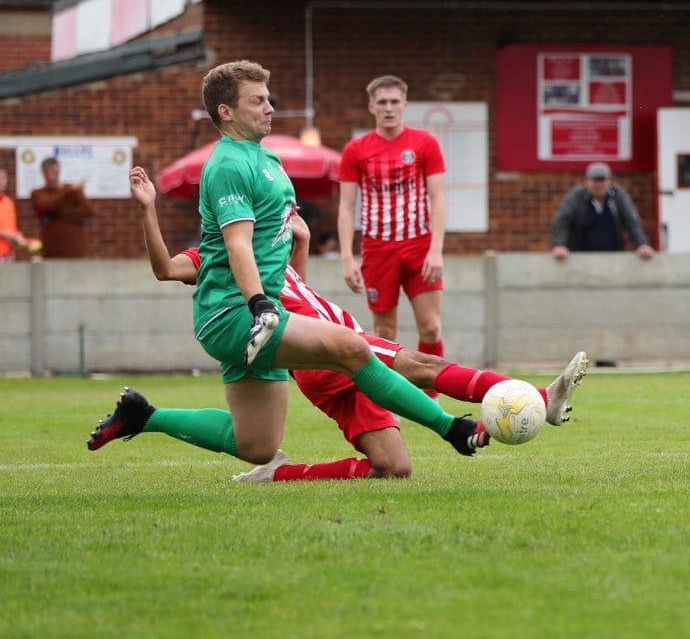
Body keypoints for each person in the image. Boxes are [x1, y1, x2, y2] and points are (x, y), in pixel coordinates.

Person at [89, 60, 485, 472]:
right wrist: (260, 303)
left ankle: (143, 415)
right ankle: (450, 427)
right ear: (226, 112)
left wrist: (301, 250)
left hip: (257, 316)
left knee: (256, 445)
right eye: (257, 101)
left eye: (267, 99)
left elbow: (277, 264)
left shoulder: (266, 161)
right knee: (352, 346)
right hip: (235, 314)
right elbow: (234, 244)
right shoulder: (228, 164)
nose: (269, 108)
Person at [98, 165, 588, 482]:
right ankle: (537, 402)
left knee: (392, 468)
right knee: (418, 363)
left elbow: (296, 298)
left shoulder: (274, 249)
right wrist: (148, 211)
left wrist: (303, 247)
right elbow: (165, 269)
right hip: (331, 354)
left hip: (314, 351)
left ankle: (272, 472)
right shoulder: (223, 253)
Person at [338, 75, 447, 384]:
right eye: (382, 102)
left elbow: (439, 198)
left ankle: (431, 395)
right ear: (372, 106)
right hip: (378, 248)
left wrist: (436, 249)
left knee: (431, 327)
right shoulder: (356, 150)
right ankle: (391, 401)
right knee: (384, 333)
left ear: (405, 105)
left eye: (394, 102)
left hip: (419, 245)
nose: (389, 108)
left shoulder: (425, 143)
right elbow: (347, 207)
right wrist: (347, 256)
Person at [551, 162, 655, 260]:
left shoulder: (618, 195)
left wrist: (642, 244)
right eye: (595, 180)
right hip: (581, 257)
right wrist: (559, 246)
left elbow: (632, 221)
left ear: (609, 181)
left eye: (602, 180)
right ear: (587, 181)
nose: (599, 185)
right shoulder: (576, 196)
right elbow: (562, 222)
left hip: (614, 257)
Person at [29, 157, 93, 258]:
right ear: (42, 173)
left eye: (54, 173)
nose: (51, 177)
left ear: (59, 171)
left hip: (75, 249)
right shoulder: (38, 193)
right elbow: (47, 206)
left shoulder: (72, 190)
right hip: (51, 251)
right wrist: (69, 192)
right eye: (47, 173)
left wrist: (60, 214)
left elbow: (88, 211)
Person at [0, 169, 40, 261]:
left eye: (3, 178)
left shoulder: (9, 202)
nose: (1, 181)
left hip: (9, 254)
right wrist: (4, 234)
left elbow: (11, 228)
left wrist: (19, 237)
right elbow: (6, 232)